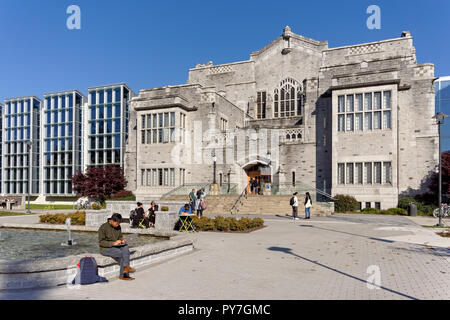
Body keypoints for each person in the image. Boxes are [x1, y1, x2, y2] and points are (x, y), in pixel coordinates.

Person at [98, 213, 136, 281]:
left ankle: (126, 268)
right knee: (121, 253)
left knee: (126, 247)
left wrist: (122, 240)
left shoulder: (118, 226)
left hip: (116, 246)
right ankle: (124, 275)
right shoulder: (103, 227)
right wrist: (113, 243)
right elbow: (101, 242)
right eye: (117, 223)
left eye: (119, 223)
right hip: (105, 249)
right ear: (112, 220)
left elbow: (120, 237)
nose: (118, 225)